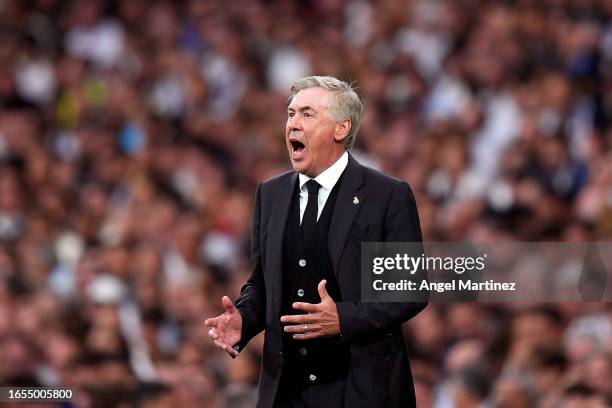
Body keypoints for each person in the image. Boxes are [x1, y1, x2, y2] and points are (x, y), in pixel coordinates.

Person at [204, 76, 427, 408]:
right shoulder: (271, 194)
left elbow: (408, 293)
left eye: (307, 115)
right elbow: (262, 284)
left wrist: (343, 319)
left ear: (340, 128)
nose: (293, 124)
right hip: (288, 390)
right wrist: (245, 319)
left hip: (359, 388)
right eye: (291, 114)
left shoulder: (386, 196)